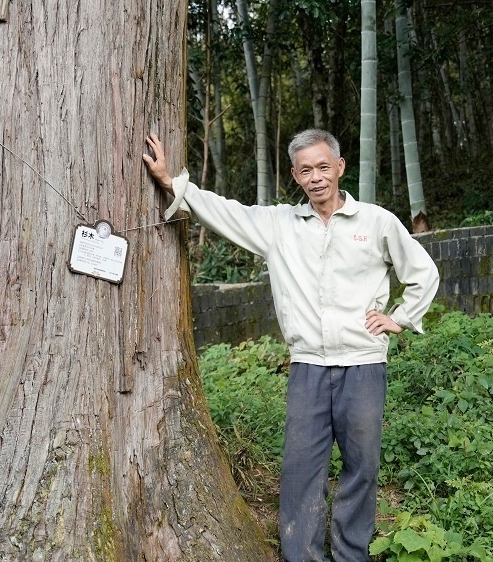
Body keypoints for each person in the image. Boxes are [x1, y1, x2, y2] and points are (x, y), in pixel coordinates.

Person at [142, 129, 439, 562]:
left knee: (362, 466)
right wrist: (173, 183)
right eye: (306, 170)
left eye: (323, 167)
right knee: (301, 468)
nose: (316, 177)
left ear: (339, 168)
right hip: (308, 367)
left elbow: (423, 272)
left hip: (363, 364)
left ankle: (350, 554)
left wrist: (400, 318)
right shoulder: (279, 225)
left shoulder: (376, 222)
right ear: (295, 176)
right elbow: (226, 212)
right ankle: (302, 555)